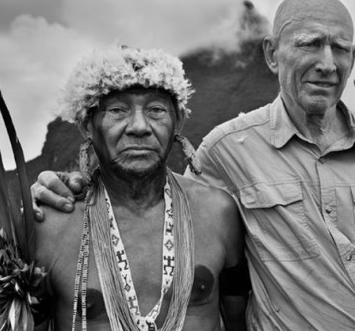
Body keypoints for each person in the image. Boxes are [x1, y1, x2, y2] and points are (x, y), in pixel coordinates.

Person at [33, 0, 355, 330]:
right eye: (309, 44)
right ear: (270, 53)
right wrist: (63, 187)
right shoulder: (228, 152)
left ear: (353, 58)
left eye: (340, 49)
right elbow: (150, 203)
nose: (327, 63)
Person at [33, 46, 248, 330]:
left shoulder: (218, 213)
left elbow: (239, 322)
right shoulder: (49, 225)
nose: (139, 126)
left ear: (178, 122)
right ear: (87, 125)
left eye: (156, 110)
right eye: (118, 110)